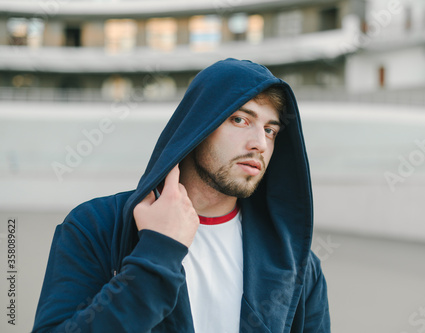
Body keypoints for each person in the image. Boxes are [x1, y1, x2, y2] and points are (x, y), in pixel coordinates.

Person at [33, 58, 330, 332]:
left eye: (270, 130)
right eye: (240, 120)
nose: (260, 144)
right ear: (199, 124)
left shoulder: (295, 263)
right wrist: (158, 254)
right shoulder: (96, 226)